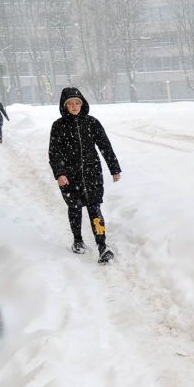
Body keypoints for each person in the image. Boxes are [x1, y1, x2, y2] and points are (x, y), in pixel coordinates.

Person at [48, 87, 122, 264]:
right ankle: (78, 240)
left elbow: (105, 145)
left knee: (94, 208)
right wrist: (60, 174)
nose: (74, 106)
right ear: (65, 106)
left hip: (92, 174)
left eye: (77, 103)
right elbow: (54, 153)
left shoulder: (92, 123)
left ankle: (102, 246)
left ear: (82, 104)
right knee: (75, 208)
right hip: (69, 176)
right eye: (70, 104)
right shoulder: (58, 126)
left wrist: (114, 168)